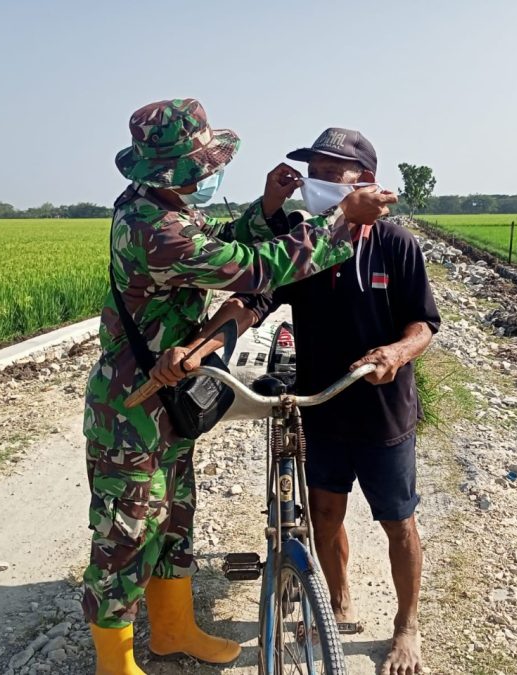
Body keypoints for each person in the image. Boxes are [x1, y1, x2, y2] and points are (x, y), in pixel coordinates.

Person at [83, 100, 396, 675]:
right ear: (175, 173)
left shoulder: (161, 202)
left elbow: (223, 241)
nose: (208, 179)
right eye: (203, 170)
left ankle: (174, 630)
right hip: (132, 405)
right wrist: (341, 219)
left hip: (172, 389)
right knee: (124, 532)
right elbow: (252, 269)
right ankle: (115, 662)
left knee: (174, 514)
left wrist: (269, 205)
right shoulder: (154, 228)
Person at [161, 128, 440, 675]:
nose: (316, 181)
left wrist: (398, 352)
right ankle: (338, 599)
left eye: (330, 171)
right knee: (326, 514)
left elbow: (424, 322)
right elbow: (252, 302)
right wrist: (201, 346)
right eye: (313, 169)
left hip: (384, 410)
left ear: (365, 182)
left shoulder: (397, 244)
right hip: (321, 404)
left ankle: (407, 626)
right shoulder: (302, 242)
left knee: (397, 522)